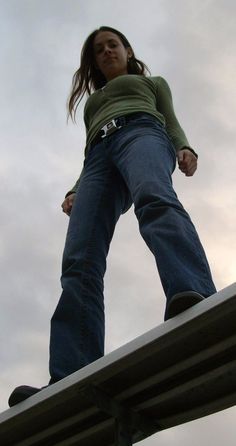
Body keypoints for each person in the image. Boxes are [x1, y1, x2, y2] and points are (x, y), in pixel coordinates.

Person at [8, 26, 216, 407]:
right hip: (97, 161)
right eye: (99, 50)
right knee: (78, 260)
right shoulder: (93, 103)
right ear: (94, 63)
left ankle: (195, 294)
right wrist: (76, 186)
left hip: (142, 133)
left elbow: (169, 119)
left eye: (112, 45)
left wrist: (184, 146)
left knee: (153, 199)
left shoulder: (152, 83)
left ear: (126, 49)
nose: (106, 52)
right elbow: (91, 152)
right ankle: (72, 370)